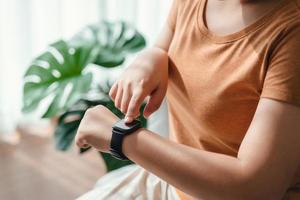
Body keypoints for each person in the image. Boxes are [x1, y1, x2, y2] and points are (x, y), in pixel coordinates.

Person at [75, 0, 300, 199]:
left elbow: (256, 188)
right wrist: (152, 59)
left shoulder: (291, 31)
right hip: (173, 185)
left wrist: (121, 138)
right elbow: (166, 43)